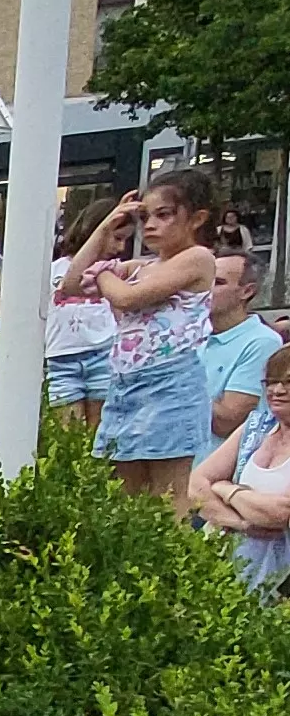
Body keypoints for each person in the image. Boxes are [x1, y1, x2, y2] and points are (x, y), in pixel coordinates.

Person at [72, 168, 223, 497]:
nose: (150, 225)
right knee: (124, 494)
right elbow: (71, 283)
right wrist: (104, 227)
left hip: (171, 384)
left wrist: (102, 273)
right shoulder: (141, 267)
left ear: (196, 218)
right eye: (145, 217)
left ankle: (175, 551)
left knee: (167, 495)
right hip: (126, 384)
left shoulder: (198, 258)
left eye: (164, 215)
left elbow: (127, 298)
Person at [192, 345, 290, 590]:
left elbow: (280, 513)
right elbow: (195, 486)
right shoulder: (256, 426)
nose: (277, 390)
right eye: (271, 381)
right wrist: (242, 525)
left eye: (288, 382)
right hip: (229, 567)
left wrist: (227, 490)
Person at [46, 200, 122, 432]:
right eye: (117, 238)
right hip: (61, 357)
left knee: (98, 432)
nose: (120, 247)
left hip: (102, 352)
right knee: (68, 432)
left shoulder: (115, 271)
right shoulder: (54, 270)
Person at [203, 251, 284, 442]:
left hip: (218, 468)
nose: (204, 289)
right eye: (203, 279)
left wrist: (173, 383)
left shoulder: (262, 341)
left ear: (247, 291)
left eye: (218, 282)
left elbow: (227, 423)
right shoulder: (191, 335)